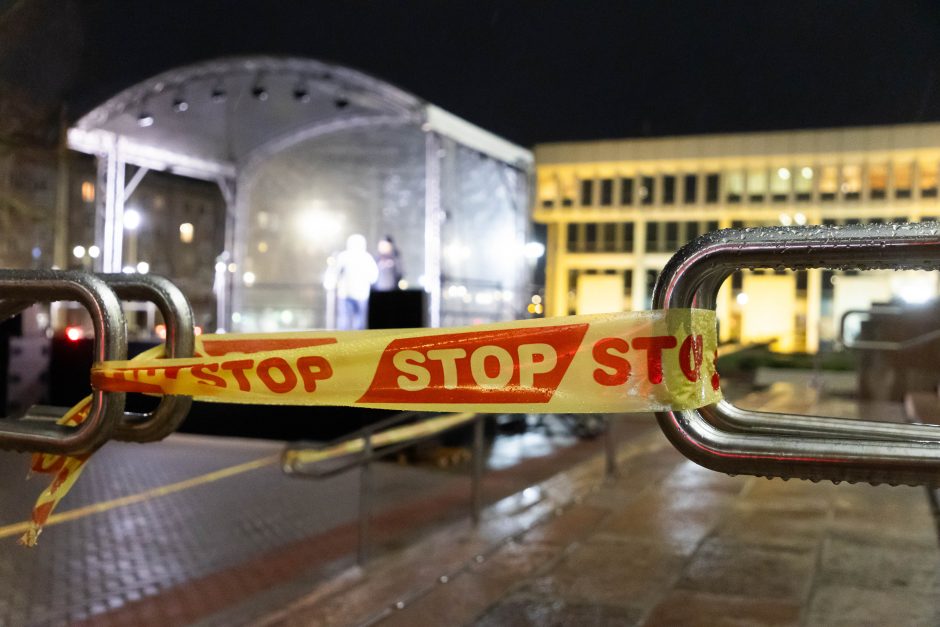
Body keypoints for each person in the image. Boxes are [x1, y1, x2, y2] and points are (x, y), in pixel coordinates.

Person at [331, 234, 378, 330]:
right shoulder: (366, 257)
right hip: (358, 294)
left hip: (348, 294)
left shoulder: (344, 256)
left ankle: (344, 341)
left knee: (346, 320)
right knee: (358, 320)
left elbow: (336, 273)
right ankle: (357, 341)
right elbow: (374, 277)